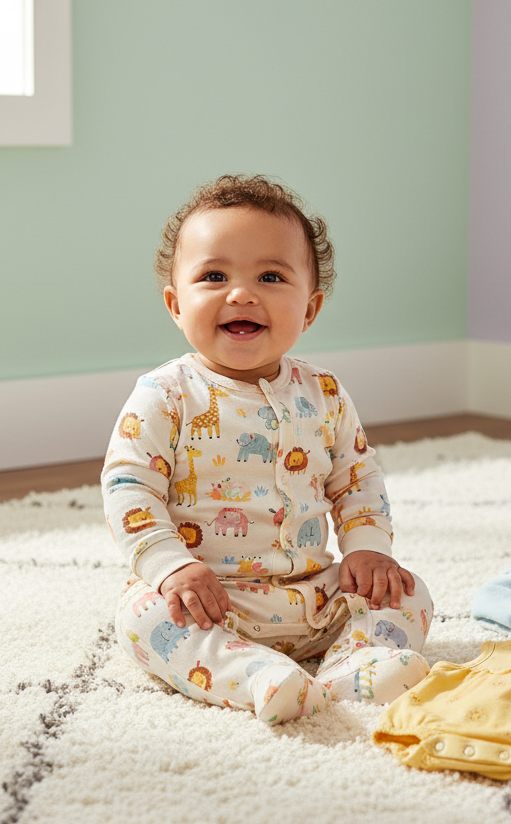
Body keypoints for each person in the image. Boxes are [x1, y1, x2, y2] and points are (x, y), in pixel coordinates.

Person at [103, 174, 433, 724]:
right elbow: (128, 487)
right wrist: (171, 569)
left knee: (407, 593)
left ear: (309, 309)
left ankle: (351, 668)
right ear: (175, 304)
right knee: (143, 617)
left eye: (271, 276)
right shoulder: (165, 395)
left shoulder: (323, 392)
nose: (241, 293)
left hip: (314, 594)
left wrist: (367, 549)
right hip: (210, 602)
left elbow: (356, 479)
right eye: (213, 275)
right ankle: (258, 676)